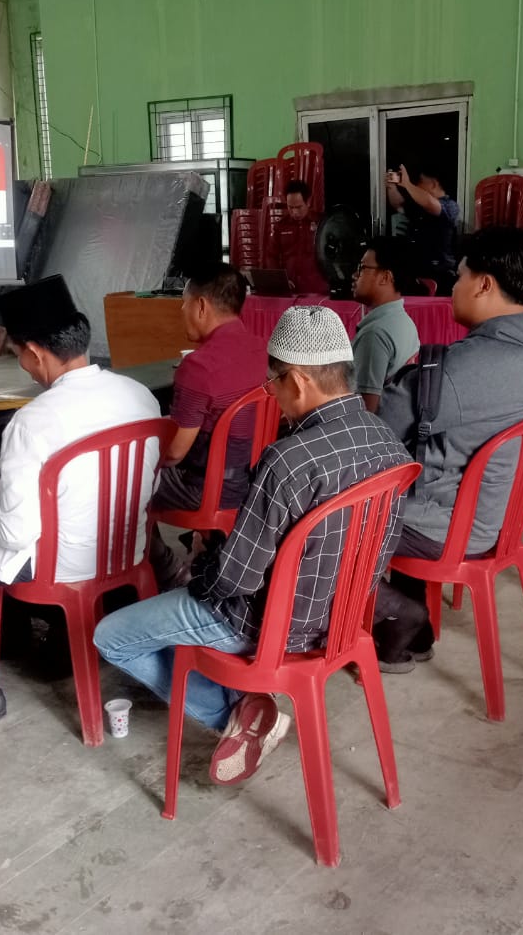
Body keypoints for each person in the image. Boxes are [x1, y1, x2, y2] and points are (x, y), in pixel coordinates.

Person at [94, 306, 411, 784]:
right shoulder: (386, 440)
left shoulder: (287, 459)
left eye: (273, 383)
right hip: (340, 619)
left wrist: (199, 570)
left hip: (269, 628)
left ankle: (235, 713)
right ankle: (246, 707)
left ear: (297, 381)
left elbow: (234, 580)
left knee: (112, 636)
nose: (273, 395)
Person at [0, 274, 161, 721]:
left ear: (35, 353)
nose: (23, 365)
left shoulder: (32, 420)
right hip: (122, 550)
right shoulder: (140, 396)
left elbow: (15, 534)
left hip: (57, 563)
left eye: (18, 354)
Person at [371, 227, 523, 671]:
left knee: (321, 510)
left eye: (459, 276)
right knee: (422, 472)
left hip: (457, 528)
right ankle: (414, 635)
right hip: (502, 517)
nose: (454, 288)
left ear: (484, 284)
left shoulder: (461, 369)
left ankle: (397, 614)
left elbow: (380, 429)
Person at [148, 263, 269, 587]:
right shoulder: (263, 351)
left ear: (201, 306)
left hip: (207, 491)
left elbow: (174, 452)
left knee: (125, 482)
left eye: (184, 303)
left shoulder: (199, 366)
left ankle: (166, 570)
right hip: (251, 481)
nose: (182, 311)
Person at [351, 237, 421, 413]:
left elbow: (365, 412)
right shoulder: (404, 321)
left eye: (362, 268)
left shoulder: (374, 334)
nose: (354, 275)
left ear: (385, 277)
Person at [386, 165, 461, 295]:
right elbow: (398, 205)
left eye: (421, 181)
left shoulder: (450, 205)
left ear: (433, 184)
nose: (418, 185)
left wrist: (408, 184)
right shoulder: (420, 207)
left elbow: (431, 204)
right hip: (417, 271)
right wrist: (391, 187)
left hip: (440, 274)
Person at [270, 179, 328, 297]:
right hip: (291, 292)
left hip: (318, 292)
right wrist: (280, 281)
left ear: (308, 202)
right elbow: (271, 257)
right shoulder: (280, 226)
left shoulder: (322, 223)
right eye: (290, 207)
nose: (295, 212)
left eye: (299, 207)